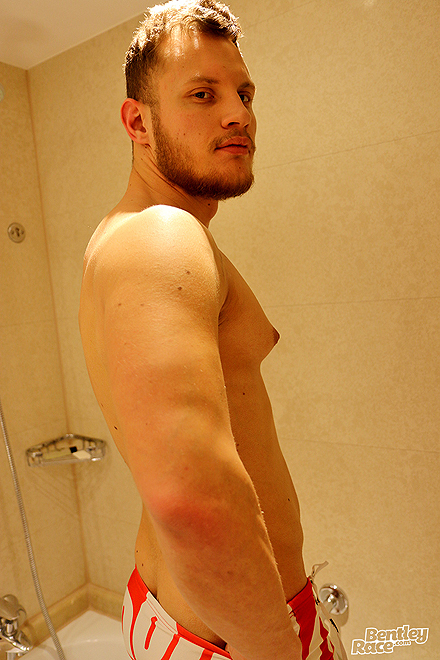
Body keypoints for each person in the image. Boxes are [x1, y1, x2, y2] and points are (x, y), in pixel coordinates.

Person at [79, 2, 347, 659]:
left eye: (244, 93)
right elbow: (190, 503)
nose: (239, 115)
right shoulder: (161, 237)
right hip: (237, 639)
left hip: (191, 616)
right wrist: (279, 648)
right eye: (203, 94)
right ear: (138, 122)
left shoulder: (126, 235)